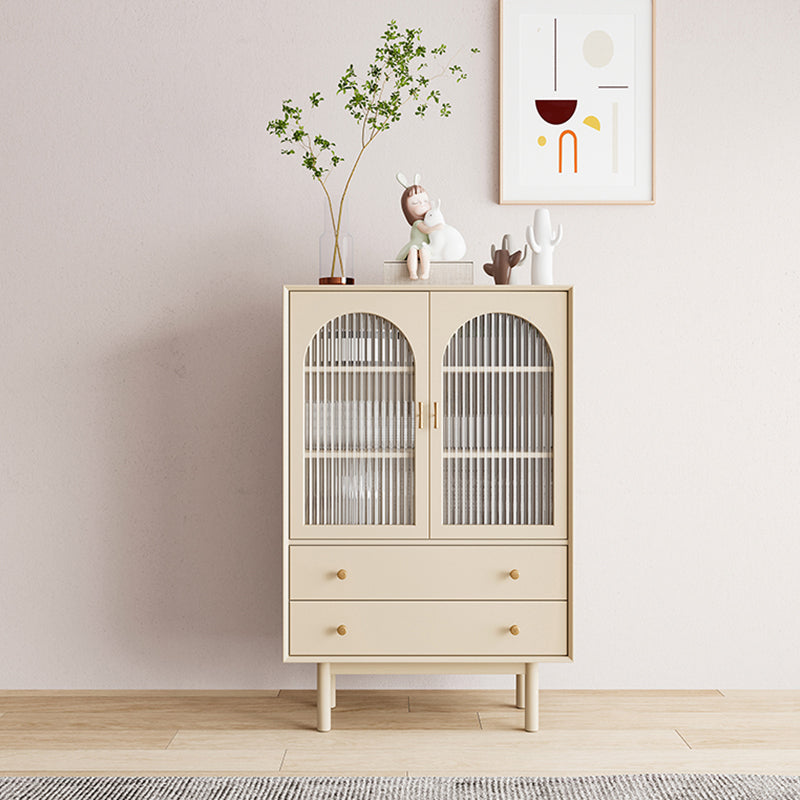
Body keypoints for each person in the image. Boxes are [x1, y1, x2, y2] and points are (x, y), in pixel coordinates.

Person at [396, 179, 442, 280]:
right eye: (416, 203)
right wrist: (436, 227)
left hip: (425, 246)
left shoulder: (428, 221)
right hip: (416, 244)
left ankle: (425, 273)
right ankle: (413, 273)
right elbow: (425, 230)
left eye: (425, 201)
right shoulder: (418, 223)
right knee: (412, 251)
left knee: (424, 251)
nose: (423, 204)